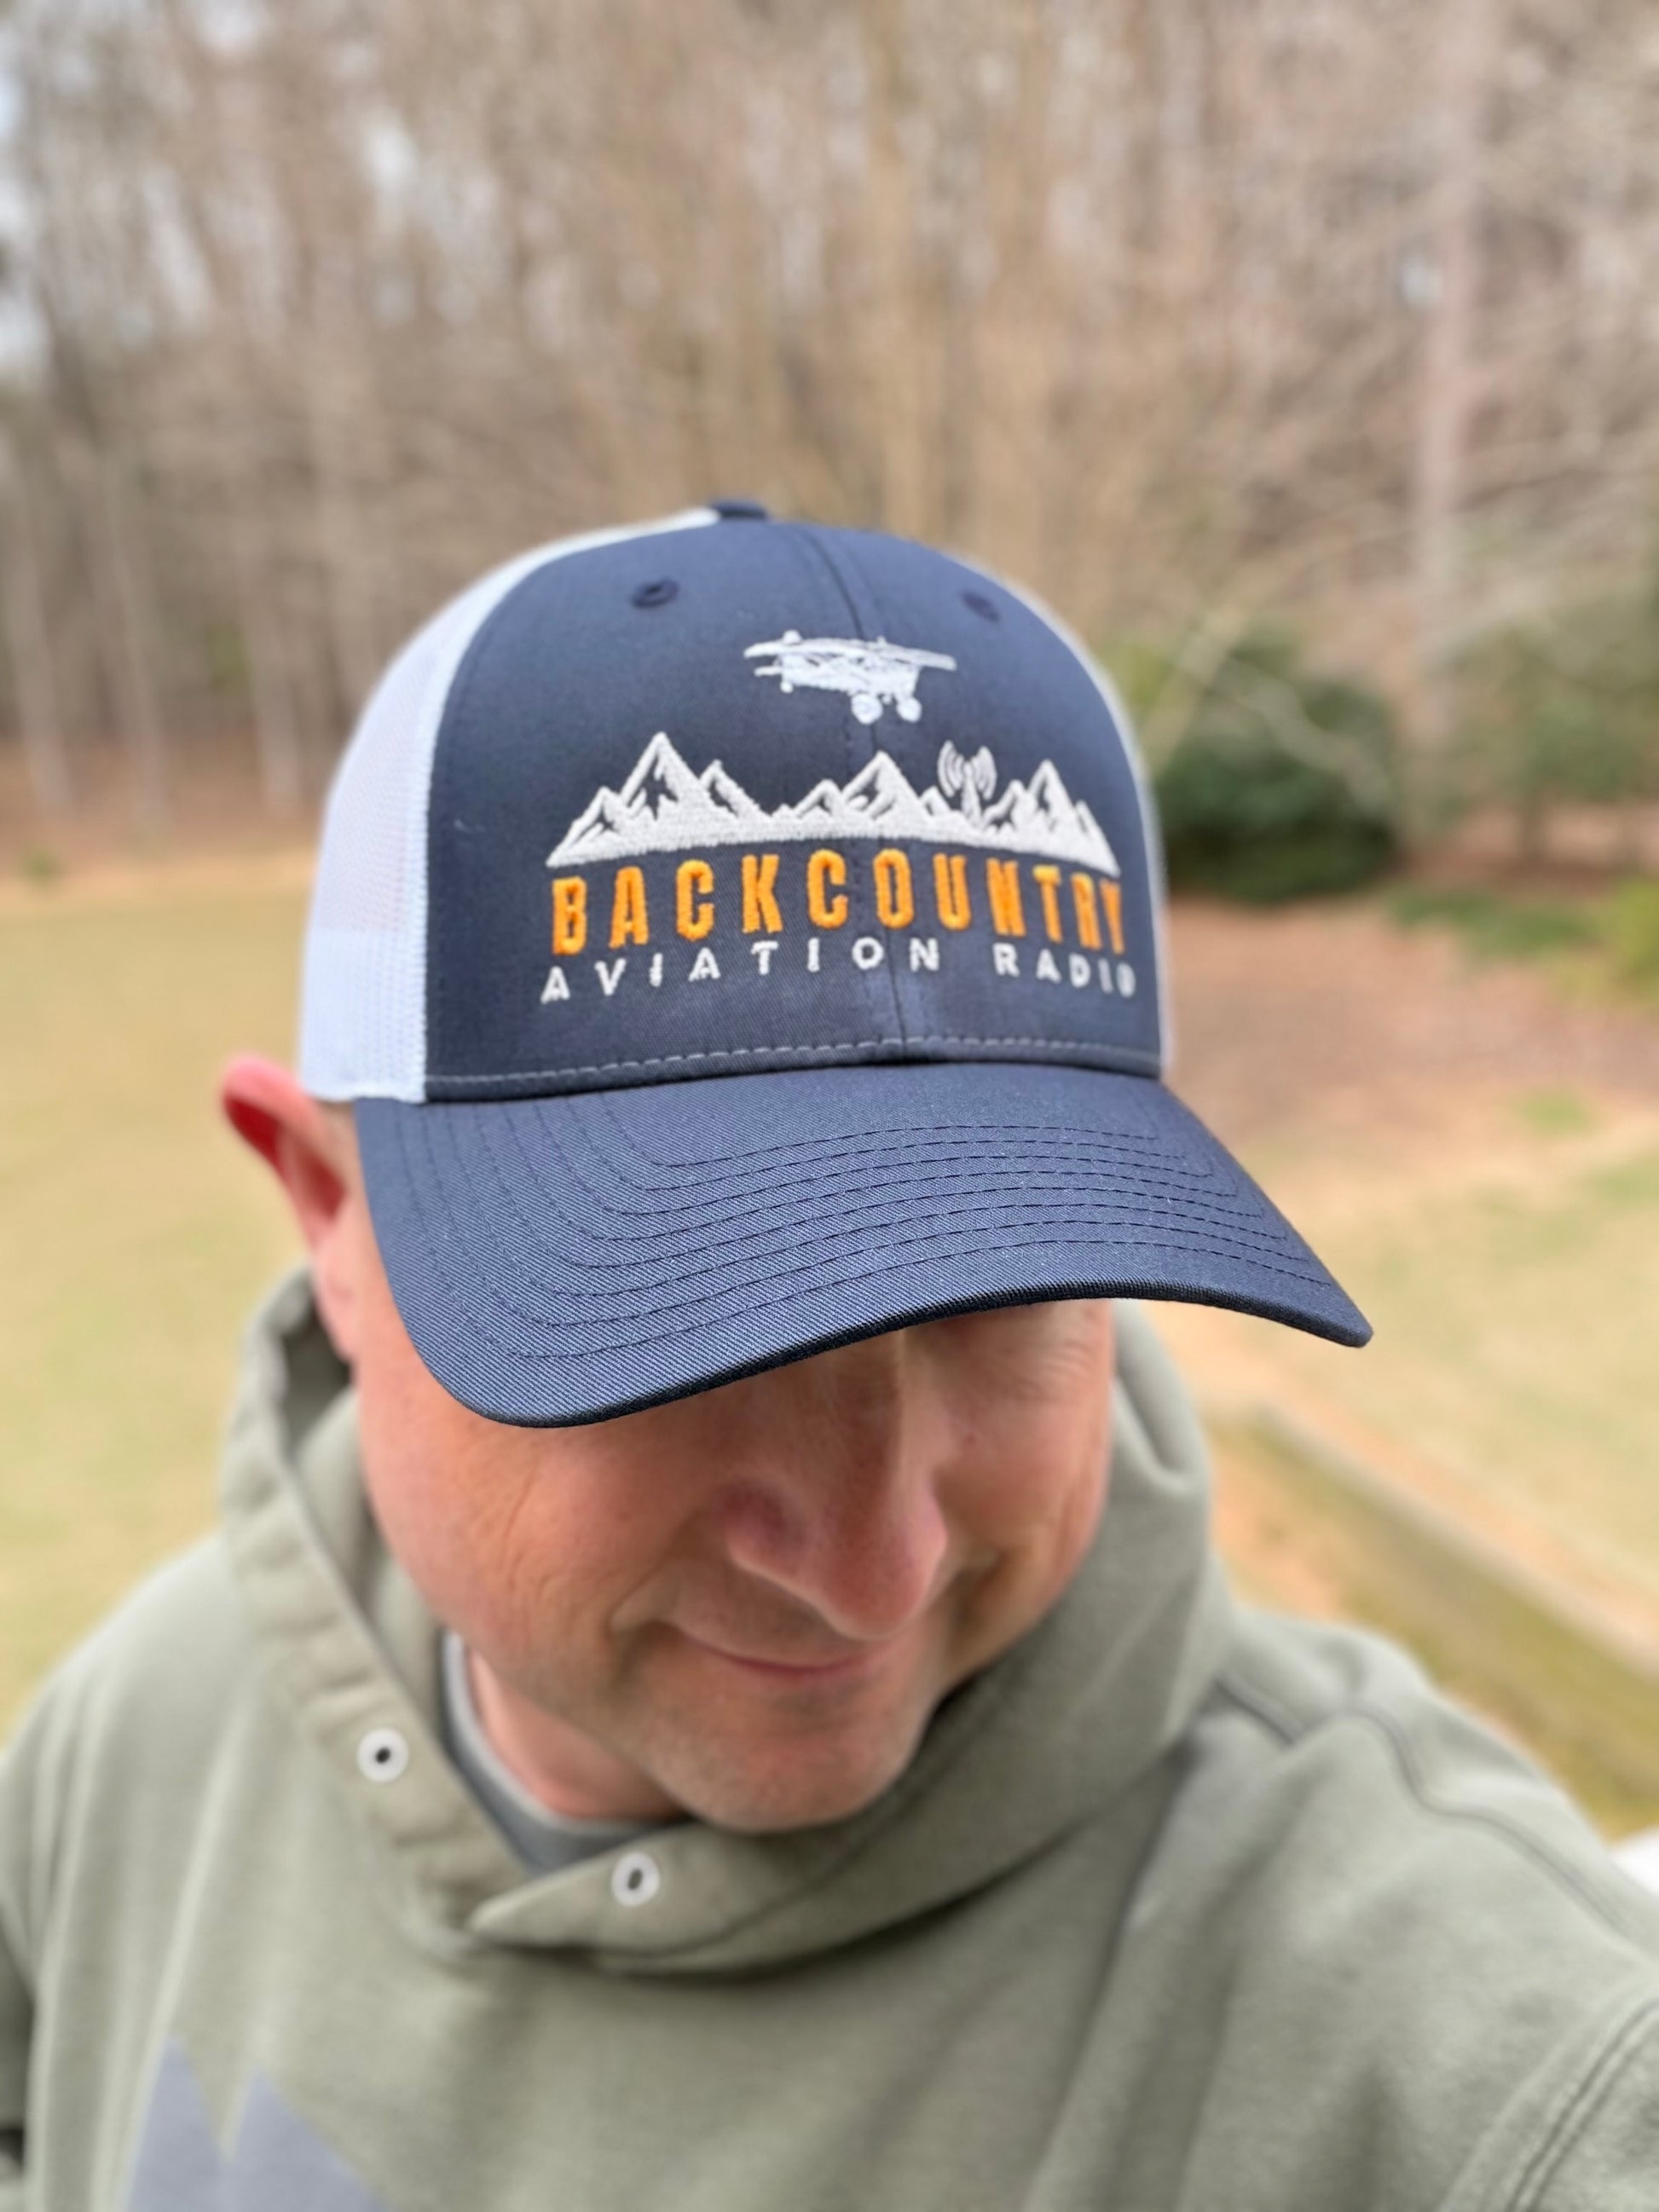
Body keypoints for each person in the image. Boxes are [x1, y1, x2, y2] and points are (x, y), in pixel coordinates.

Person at [3, 504, 1656, 2212]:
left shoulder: (1464, 2063)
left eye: (1002, 1295)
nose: (877, 1566)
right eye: (675, 1317)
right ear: (329, 1215)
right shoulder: (134, 1748)